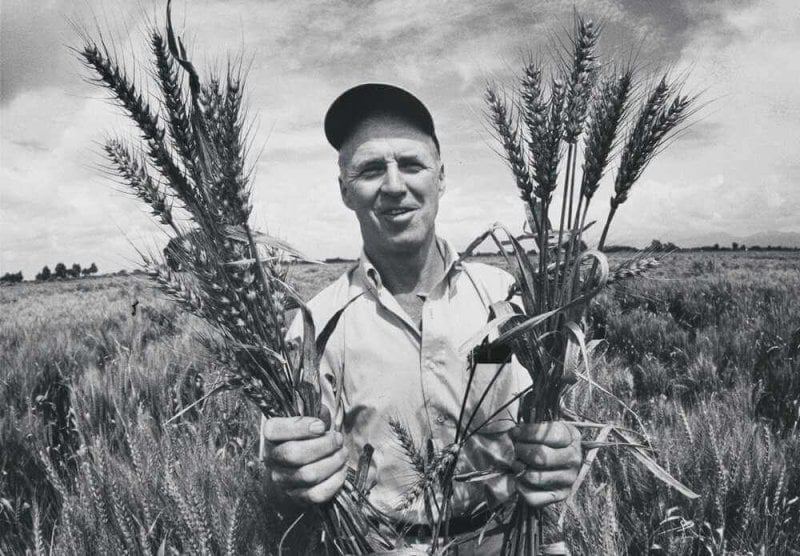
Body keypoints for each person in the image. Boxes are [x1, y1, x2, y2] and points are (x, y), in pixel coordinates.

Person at [260, 84, 582, 553]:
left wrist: (561, 448)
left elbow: (555, 416)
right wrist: (288, 473)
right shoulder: (314, 327)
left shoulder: (508, 300)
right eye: (371, 169)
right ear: (344, 191)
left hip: (511, 538)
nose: (394, 185)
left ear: (441, 177)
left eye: (411, 164)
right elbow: (283, 481)